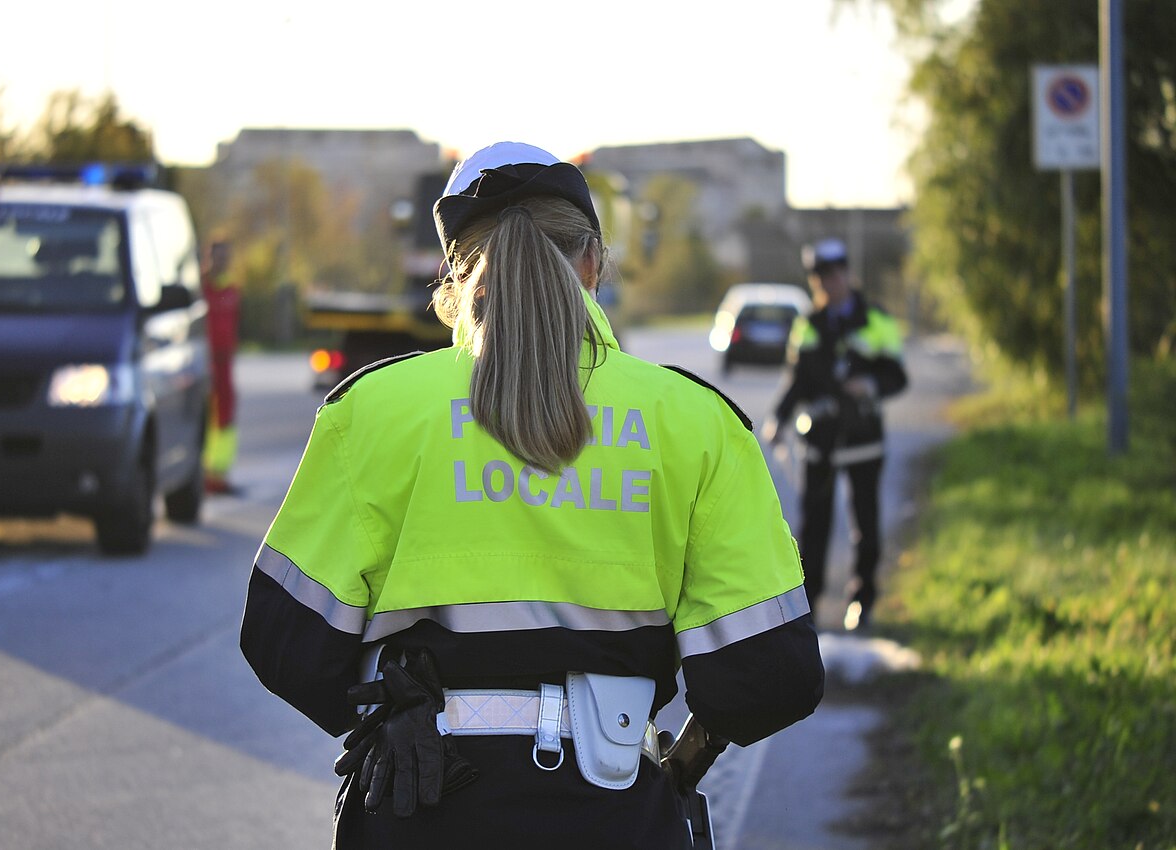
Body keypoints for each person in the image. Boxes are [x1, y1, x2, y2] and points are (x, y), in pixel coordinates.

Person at [240, 141, 824, 849]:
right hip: (615, 816)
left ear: (453, 278)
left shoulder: (374, 410)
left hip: (421, 814)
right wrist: (680, 763)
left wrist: (386, 701)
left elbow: (282, 640)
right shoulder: (695, 421)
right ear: (593, 264)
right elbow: (770, 675)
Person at [763, 238, 908, 631]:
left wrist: (871, 385)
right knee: (813, 528)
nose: (829, 283)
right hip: (820, 442)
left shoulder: (876, 319)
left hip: (863, 439)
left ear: (848, 274)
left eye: (835, 274)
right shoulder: (808, 324)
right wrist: (778, 418)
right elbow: (796, 380)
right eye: (821, 278)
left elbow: (898, 376)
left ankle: (862, 602)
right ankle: (809, 606)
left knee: (866, 523)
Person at [201, 237, 240, 494]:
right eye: (218, 256)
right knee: (203, 416)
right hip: (203, 363)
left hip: (225, 364)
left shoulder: (233, 291)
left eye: (226, 256)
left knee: (225, 416)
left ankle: (220, 474)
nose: (222, 261)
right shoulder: (200, 289)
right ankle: (202, 474)